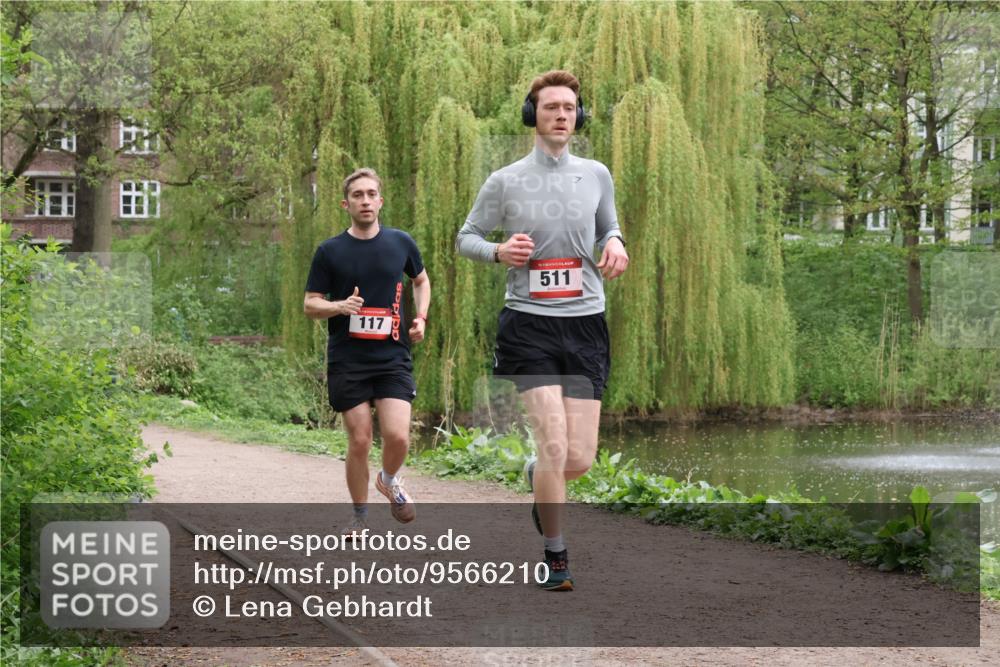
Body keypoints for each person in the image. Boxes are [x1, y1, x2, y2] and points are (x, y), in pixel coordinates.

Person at [456, 70, 628, 591]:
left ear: (579, 116)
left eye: (569, 108)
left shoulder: (596, 174)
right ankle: (556, 557)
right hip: (529, 324)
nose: (561, 115)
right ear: (533, 115)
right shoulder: (505, 180)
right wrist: (498, 251)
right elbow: (466, 237)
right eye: (551, 106)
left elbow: (608, 225)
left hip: (586, 324)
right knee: (555, 445)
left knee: (579, 459)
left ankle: (537, 475)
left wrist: (615, 242)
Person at [305, 167, 430, 535]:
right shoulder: (330, 251)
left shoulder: (401, 243)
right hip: (348, 359)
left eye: (371, 194)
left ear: (380, 201)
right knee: (360, 439)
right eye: (357, 195)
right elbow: (310, 304)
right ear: (346, 204)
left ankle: (388, 480)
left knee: (399, 436)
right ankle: (360, 517)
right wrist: (339, 306)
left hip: (392, 357)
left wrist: (421, 317)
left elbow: (421, 280)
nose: (365, 201)